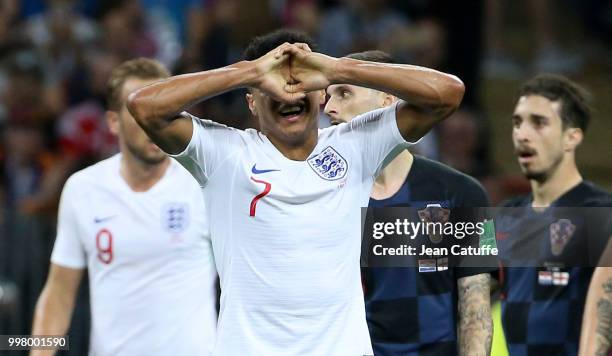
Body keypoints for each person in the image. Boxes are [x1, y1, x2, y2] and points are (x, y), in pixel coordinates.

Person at [126, 29, 465, 355]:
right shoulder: (224, 154)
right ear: (252, 103)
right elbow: (144, 107)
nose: (288, 94)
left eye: (300, 81)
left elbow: (447, 93)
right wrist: (251, 71)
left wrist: (334, 68)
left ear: (320, 93)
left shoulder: (357, 146)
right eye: (272, 86)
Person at [30, 58, 217, 356]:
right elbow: (58, 296)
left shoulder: (204, 183)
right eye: (141, 114)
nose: (155, 123)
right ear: (113, 122)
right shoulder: (83, 189)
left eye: (164, 112)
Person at [324, 50, 494, 356]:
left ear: (387, 100)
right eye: (328, 96)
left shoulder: (463, 193)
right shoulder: (323, 197)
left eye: (344, 93)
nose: (329, 108)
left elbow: (475, 309)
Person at [496, 74, 612, 356]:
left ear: (572, 137)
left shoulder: (601, 213)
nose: (523, 134)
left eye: (539, 122)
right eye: (517, 122)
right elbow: (465, 288)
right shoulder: (504, 217)